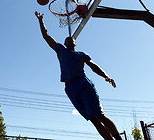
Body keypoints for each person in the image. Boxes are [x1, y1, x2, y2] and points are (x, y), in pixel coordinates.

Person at [34, 11, 122, 140]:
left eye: (72, 38)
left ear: (75, 43)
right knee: (93, 119)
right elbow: (46, 36)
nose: (70, 38)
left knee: (100, 115)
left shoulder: (81, 54)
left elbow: (93, 66)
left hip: (83, 83)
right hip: (69, 87)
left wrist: (105, 76)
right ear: (65, 43)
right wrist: (40, 20)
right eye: (67, 39)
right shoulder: (60, 50)